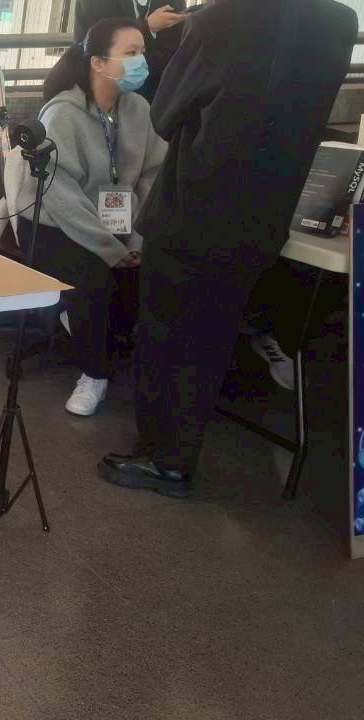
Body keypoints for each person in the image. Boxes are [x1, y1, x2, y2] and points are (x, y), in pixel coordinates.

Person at [100, 0, 357, 498]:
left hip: (193, 210)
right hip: (264, 217)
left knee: (165, 338)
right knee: (213, 339)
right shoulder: (340, 22)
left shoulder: (220, 20)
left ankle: (163, 460)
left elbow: (166, 115)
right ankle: (180, 452)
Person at [15, 17, 166, 416]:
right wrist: (110, 248)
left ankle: (114, 353)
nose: (141, 62)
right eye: (130, 53)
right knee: (94, 277)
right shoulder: (62, 113)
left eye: (142, 52)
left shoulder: (140, 108)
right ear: (98, 62)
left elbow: (152, 176)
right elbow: (60, 194)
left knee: (150, 273)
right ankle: (94, 373)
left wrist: (136, 240)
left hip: (118, 224)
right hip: (57, 225)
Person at [73, 0, 188, 101]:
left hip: (157, 88)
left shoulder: (174, 3)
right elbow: (94, 42)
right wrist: (148, 28)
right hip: (102, 87)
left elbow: (175, 50)